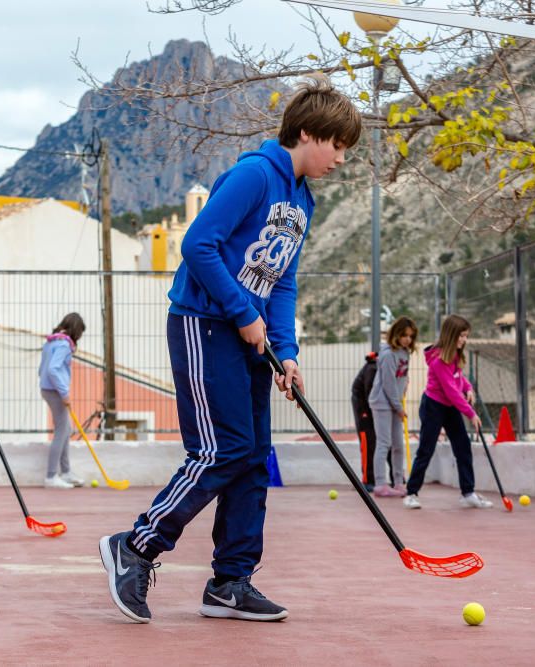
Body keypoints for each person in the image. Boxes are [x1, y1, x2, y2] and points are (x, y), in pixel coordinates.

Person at [98, 74, 361, 624]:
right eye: (337, 146)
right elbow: (199, 245)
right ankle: (137, 547)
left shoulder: (302, 200)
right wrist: (243, 314)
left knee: (252, 458)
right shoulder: (254, 175)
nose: (341, 158)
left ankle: (230, 581)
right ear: (309, 134)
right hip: (205, 325)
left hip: (252, 340)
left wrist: (286, 352)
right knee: (222, 450)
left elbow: (281, 281)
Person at [403, 314, 491, 510]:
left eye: (466, 336)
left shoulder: (456, 354)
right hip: (434, 406)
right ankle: (411, 493)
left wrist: (468, 388)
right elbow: (451, 391)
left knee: (463, 447)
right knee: (426, 449)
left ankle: (468, 493)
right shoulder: (439, 360)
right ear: (451, 335)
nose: (464, 340)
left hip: (450, 408)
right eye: (461, 336)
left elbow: (459, 377)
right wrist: (471, 414)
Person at [369, 317, 418, 498]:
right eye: (404, 335)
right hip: (383, 402)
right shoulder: (388, 354)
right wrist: (398, 406)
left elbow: (402, 377)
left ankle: (399, 482)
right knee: (384, 443)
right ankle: (380, 484)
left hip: (396, 402)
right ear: (396, 334)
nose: (407, 339)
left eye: (410, 336)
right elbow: (389, 384)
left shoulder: (405, 353)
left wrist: (405, 386)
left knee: (398, 444)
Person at [39, 312, 86, 488]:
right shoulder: (64, 345)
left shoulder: (51, 341)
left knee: (66, 429)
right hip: (55, 392)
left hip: (47, 389)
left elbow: (42, 369)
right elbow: (53, 369)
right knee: (61, 431)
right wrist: (64, 392)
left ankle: (66, 472)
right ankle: (51, 476)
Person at [351, 351, 379, 492]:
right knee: (368, 442)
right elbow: (370, 392)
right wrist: (368, 412)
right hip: (365, 411)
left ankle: (393, 477)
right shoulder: (373, 368)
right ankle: (368, 480)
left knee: (383, 442)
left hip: (374, 409)